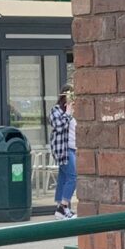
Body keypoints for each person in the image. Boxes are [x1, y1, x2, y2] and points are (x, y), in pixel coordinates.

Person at [48, 84, 77, 220]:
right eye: (70, 95)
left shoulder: (73, 111)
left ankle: (60, 209)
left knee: (63, 178)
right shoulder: (56, 110)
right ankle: (63, 206)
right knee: (73, 176)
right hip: (62, 150)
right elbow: (59, 127)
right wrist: (68, 113)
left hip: (73, 148)